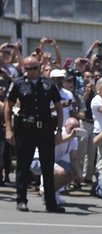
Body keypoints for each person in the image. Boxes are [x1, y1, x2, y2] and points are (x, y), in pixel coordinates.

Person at [3, 56, 65, 212]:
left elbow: (58, 108)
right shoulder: (18, 84)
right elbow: (8, 107)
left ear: (40, 67)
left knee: (47, 167)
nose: (31, 72)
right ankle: (21, 200)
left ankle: (51, 203)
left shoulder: (49, 85)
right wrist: (9, 129)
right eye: (27, 69)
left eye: (34, 68)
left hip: (45, 131)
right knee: (23, 167)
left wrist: (58, 131)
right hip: (25, 131)